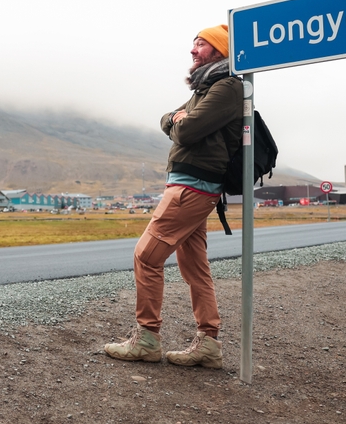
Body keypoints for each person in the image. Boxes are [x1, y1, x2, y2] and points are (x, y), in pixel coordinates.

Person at [104, 24, 243, 369]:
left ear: (220, 50)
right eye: (193, 44)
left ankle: (147, 339)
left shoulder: (227, 87)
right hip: (191, 186)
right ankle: (208, 344)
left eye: (200, 44)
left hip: (192, 187)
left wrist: (179, 121)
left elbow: (186, 129)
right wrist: (176, 119)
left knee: (146, 256)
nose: (193, 51)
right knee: (193, 265)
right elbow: (169, 118)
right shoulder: (206, 87)